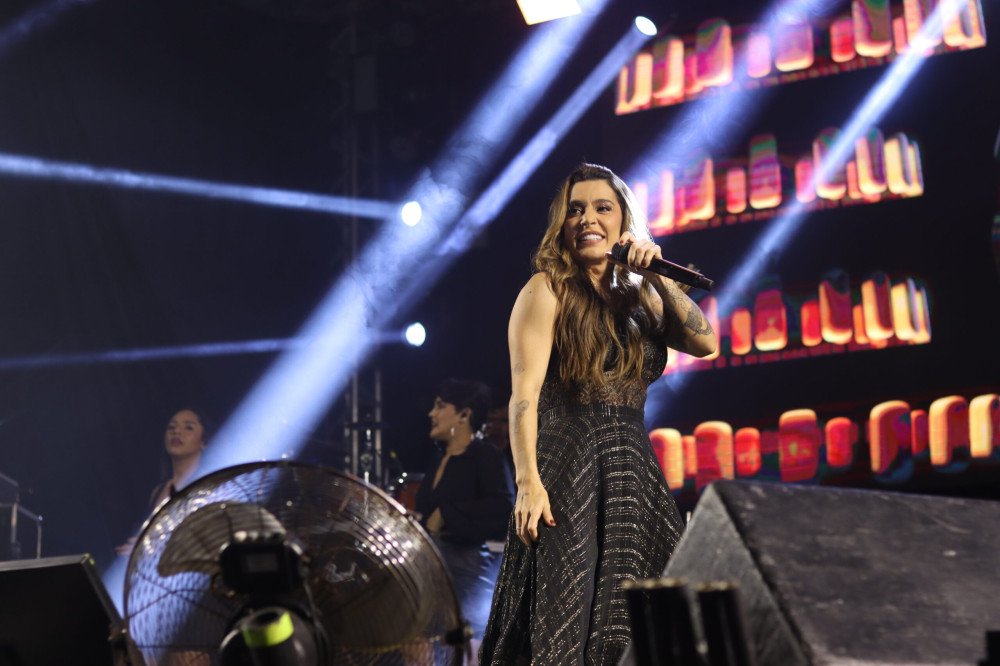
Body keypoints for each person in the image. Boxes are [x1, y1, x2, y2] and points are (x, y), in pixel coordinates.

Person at [479, 163, 718, 665]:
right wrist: (528, 482)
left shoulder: (642, 295)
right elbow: (523, 397)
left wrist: (655, 274)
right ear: (562, 224)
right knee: (568, 613)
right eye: (575, 209)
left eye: (602, 207)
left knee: (652, 620)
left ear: (623, 220)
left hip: (631, 469)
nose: (587, 218)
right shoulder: (546, 289)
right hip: (568, 467)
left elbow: (704, 343)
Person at [413, 379, 515, 642]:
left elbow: (503, 507)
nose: (431, 413)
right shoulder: (438, 459)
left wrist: (447, 514)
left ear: (464, 414)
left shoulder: (487, 456)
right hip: (431, 570)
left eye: (440, 406)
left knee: (465, 650)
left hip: (466, 574)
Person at [115, 407, 211, 556]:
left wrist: (147, 547)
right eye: (171, 427)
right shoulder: (158, 491)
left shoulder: (209, 486)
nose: (176, 431)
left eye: (188, 427)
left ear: (204, 441)